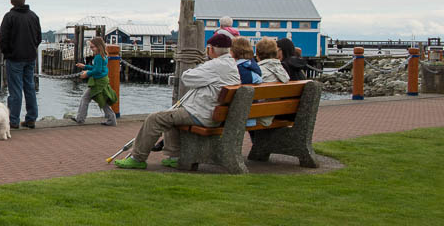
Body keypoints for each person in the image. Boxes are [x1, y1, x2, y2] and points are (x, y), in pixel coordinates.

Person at [113, 33, 240, 169]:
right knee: (172, 115)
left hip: (202, 114)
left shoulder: (215, 65)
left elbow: (187, 78)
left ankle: (137, 158)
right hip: (215, 113)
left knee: (154, 119)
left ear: (212, 49)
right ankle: (174, 156)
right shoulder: (231, 65)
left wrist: (201, 71)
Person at [0, 0, 42, 129]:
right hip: (30, 57)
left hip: (15, 58)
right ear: (24, 0)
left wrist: (7, 53)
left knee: (15, 90)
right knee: (29, 87)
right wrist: (32, 47)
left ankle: (13, 120)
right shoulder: (33, 16)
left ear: (11, 1)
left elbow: (3, 39)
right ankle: (31, 118)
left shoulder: (9, 17)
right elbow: (38, 38)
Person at [70, 36, 117, 126]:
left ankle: (80, 119)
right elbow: (97, 68)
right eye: (90, 47)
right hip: (101, 81)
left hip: (98, 82)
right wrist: (85, 67)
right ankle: (111, 119)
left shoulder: (98, 57)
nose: (91, 49)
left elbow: (97, 71)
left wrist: (87, 74)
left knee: (86, 98)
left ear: (98, 46)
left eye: (92, 47)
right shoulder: (103, 56)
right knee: (101, 100)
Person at [254, 38, 290, 127]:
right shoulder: (283, 71)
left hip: (259, 116)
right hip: (275, 113)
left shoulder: (258, 71)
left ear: (257, 55)